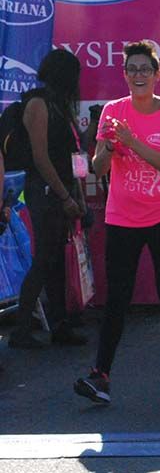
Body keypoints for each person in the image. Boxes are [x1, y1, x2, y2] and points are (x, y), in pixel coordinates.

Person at [74, 41, 160, 404]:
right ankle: (101, 376)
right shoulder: (113, 110)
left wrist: (132, 140)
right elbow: (97, 168)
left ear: (157, 75)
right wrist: (109, 146)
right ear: (124, 75)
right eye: (132, 70)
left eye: (145, 69)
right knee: (118, 297)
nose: (139, 75)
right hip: (124, 215)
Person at [8, 49, 89, 349]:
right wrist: (66, 195)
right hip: (44, 190)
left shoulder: (59, 105)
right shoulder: (38, 104)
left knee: (54, 260)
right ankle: (22, 329)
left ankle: (59, 324)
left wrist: (76, 194)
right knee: (44, 258)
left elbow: (72, 155)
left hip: (59, 189)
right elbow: (41, 158)